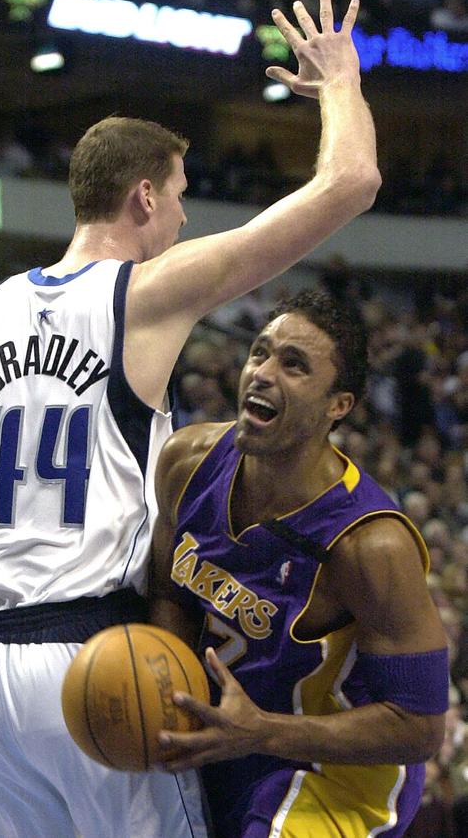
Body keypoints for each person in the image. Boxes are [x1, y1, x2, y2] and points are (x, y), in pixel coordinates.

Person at [0, 0, 381, 838]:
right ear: (146, 197)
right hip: (86, 646)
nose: (188, 216)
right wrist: (341, 78)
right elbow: (350, 182)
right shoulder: (144, 295)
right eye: (183, 195)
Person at [149, 290, 449, 838]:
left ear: (339, 405)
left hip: (333, 776)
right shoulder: (186, 462)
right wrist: (169, 689)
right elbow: (168, 592)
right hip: (225, 739)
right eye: (260, 353)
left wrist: (262, 732)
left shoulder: (371, 545)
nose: (263, 373)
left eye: (294, 365)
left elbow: (421, 725)